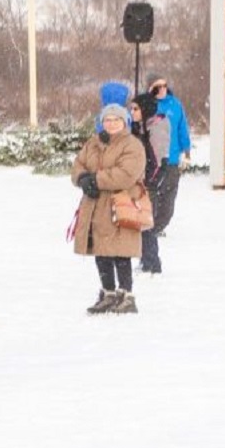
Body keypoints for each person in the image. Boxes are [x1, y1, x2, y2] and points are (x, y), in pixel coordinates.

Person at [72, 103, 146, 315]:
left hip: (120, 204)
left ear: (124, 122)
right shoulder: (93, 143)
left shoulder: (132, 145)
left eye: (116, 120)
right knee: (101, 250)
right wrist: (82, 178)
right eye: (107, 120)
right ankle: (108, 292)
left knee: (120, 251)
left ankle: (126, 295)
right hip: (95, 205)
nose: (111, 124)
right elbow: (78, 165)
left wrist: (95, 179)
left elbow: (126, 174)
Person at [143, 74, 190, 237]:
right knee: (152, 195)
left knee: (168, 198)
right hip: (151, 161)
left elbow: (182, 128)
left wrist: (187, 151)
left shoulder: (175, 104)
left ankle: (159, 226)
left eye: (164, 85)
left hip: (171, 159)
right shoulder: (146, 105)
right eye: (157, 87)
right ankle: (149, 227)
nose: (162, 89)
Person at [133, 94, 171, 275]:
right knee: (142, 222)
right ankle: (145, 259)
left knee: (148, 223)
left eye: (135, 109)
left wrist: (149, 182)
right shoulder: (141, 127)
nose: (132, 113)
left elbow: (157, 159)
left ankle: (152, 262)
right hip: (142, 181)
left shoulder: (156, 127)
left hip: (150, 182)